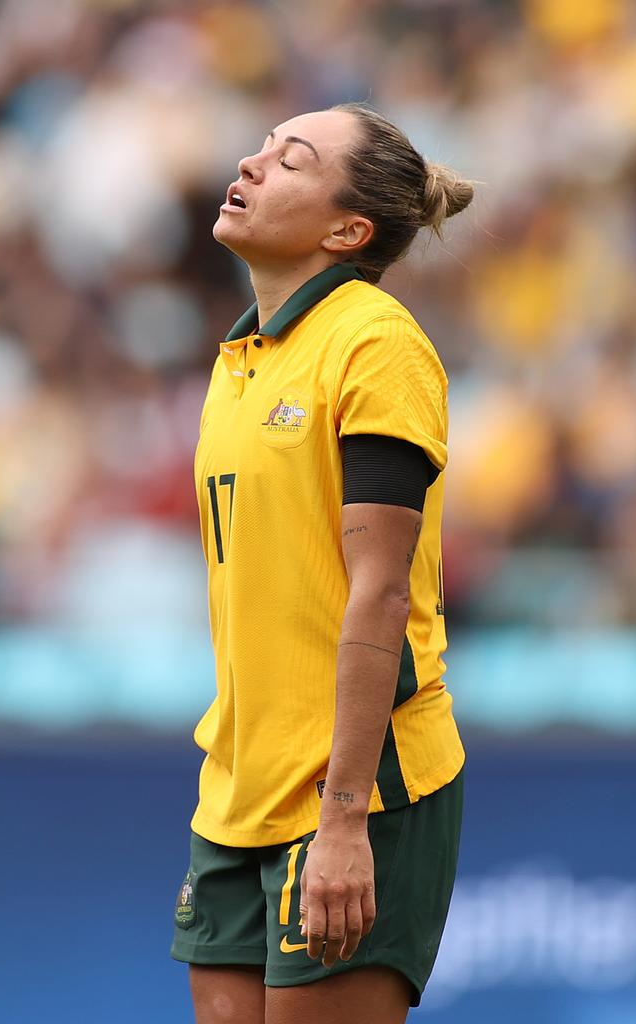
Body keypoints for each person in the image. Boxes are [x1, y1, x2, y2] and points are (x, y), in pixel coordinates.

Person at [171, 103, 472, 1024]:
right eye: (259, 146)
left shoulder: (374, 343)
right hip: (238, 788)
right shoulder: (240, 358)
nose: (251, 163)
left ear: (349, 230)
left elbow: (381, 594)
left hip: (354, 788)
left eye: (290, 161)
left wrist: (342, 817)